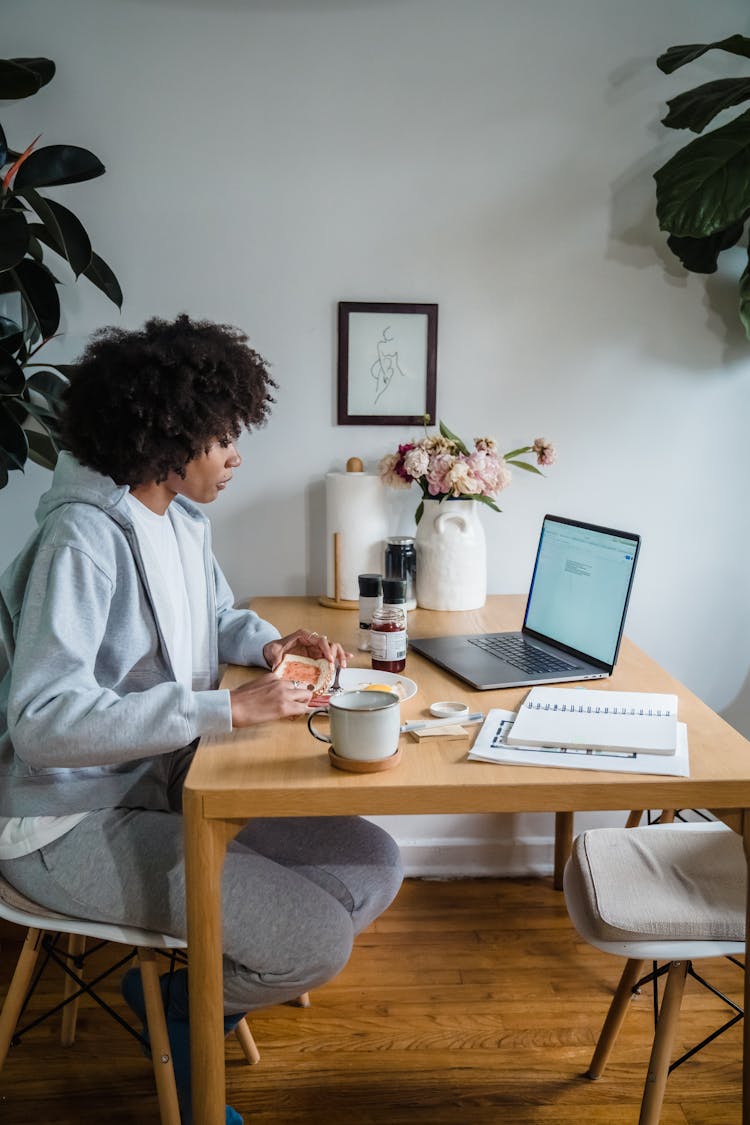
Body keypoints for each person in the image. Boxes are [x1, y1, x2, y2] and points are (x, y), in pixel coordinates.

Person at [0, 314, 403, 1124]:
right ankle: (185, 1013)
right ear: (170, 435)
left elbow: (213, 611)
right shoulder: (83, 538)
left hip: (164, 784)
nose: (236, 454)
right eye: (223, 435)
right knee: (317, 940)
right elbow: (42, 720)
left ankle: (201, 980)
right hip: (65, 821)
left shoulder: (179, 517)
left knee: (371, 858)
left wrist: (264, 643)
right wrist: (225, 709)